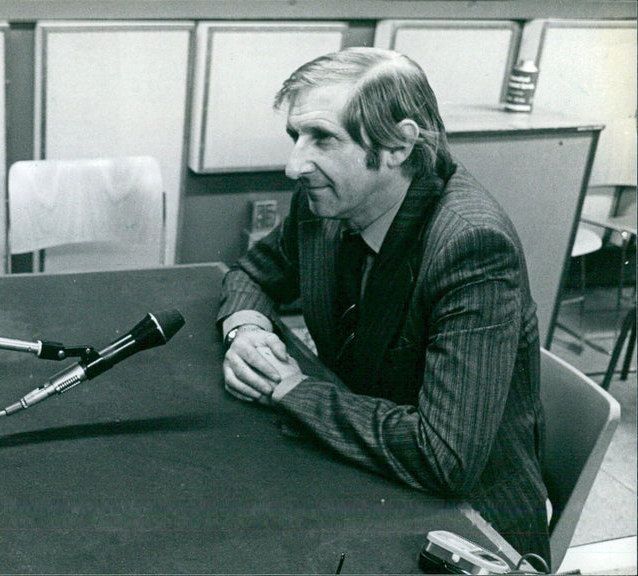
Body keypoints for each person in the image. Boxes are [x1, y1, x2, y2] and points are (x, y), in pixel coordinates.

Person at [217, 47, 550, 564]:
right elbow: (254, 273)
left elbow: (446, 458)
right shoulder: (324, 200)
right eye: (295, 137)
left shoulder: (472, 245)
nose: (294, 165)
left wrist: (292, 390)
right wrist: (247, 330)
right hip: (363, 467)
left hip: (468, 527)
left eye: (323, 138)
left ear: (399, 145)